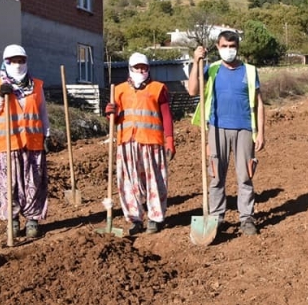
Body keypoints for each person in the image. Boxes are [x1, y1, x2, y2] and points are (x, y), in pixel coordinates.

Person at [188, 30, 265, 236]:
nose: (228, 50)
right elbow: (193, 90)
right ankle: (216, 217)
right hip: (216, 128)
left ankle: (247, 218)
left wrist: (261, 132)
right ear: (218, 47)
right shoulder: (211, 69)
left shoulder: (249, 71)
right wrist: (196, 62)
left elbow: (258, 103)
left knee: (245, 176)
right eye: (224, 46)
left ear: (238, 48)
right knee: (216, 176)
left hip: (244, 129)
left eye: (232, 47)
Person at [0, 44, 50, 238]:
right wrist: (1, 97)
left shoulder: (36, 85)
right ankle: (12, 220)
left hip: (32, 143)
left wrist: (47, 134)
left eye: (21, 60)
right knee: (7, 184)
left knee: (33, 182)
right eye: (13, 61)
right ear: (6, 62)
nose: (17, 64)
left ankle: (32, 220)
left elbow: (42, 113)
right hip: (5, 145)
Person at [105, 52, 175, 235]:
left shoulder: (158, 88)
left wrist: (170, 140)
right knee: (128, 182)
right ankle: (135, 219)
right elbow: (116, 118)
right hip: (127, 142)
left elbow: (166, 116)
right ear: (130, 68)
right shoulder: (118, 90)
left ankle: (155, 217)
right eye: (137, 67)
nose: (141, 70)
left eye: (144, 67)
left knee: (154, 181)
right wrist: (110, 112)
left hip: (151, 142)